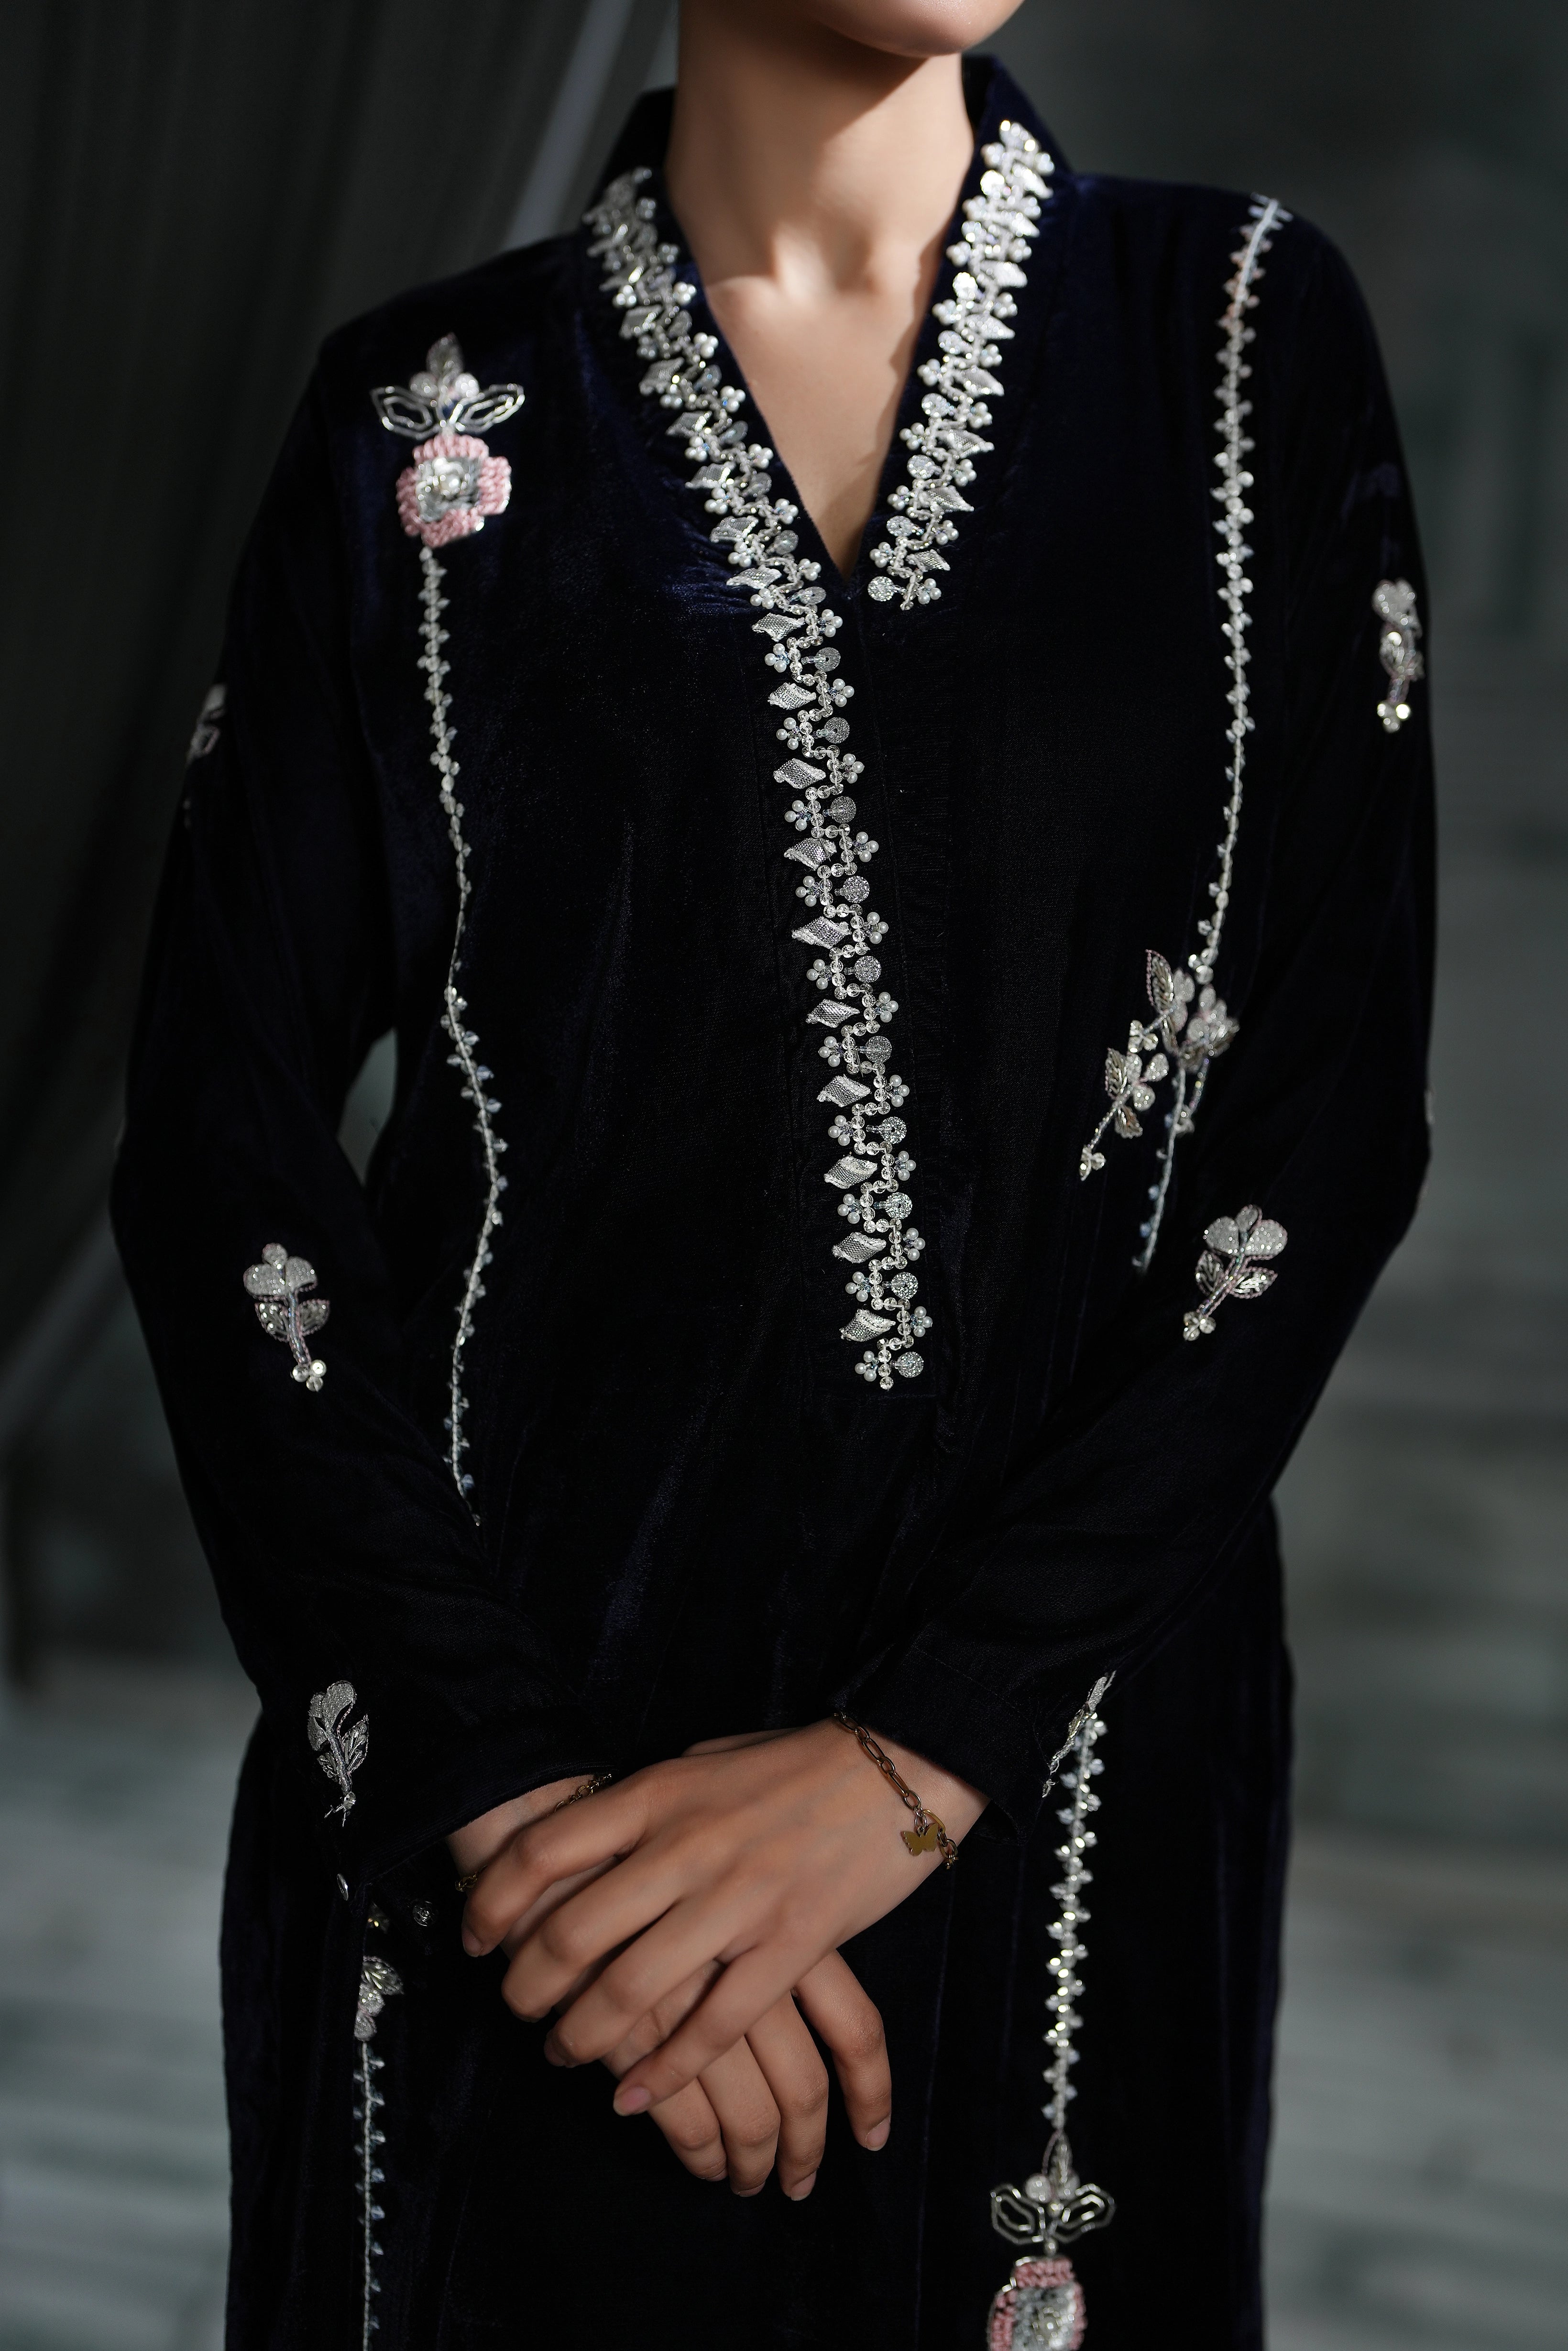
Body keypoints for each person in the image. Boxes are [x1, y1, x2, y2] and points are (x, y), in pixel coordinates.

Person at [111, 0, 1434, 2343]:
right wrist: (517, 1827)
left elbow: (1317, 1133)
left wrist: (910, 1756)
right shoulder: (425, 420)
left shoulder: (1234, 338)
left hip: (1055, 1772)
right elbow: (222, 1163)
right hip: (525, 1800)